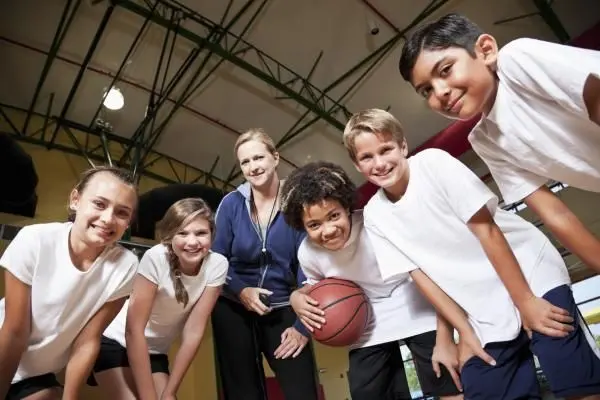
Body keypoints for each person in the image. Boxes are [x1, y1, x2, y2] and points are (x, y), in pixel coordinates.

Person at [343, 108, 600, 399]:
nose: (380, 163)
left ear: (402, 146)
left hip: (529, 271)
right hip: (482, 302)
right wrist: (463, 331)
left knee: (573, 377)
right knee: (483, 385)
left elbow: (487, 231)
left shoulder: (433, 164)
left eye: (386, 149)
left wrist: (526, 301)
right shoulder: (375, 215)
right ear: (357, 164)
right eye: (367, 157)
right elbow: (423, 278)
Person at [398, 13, 600, 276]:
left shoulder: (516, 61)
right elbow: (555, 214)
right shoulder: (485, 142)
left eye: (446, 70)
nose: (440, 92)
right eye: (426, 91)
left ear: (486, 50)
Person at [279, 160, 472, 400]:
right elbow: (314, 283)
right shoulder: (308, 252)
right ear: (302, 226)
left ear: (347, 207)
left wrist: (445, 338)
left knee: (447, 379)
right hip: (367, 317)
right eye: (314, 224)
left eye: (334, 216)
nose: (327, 230)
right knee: (365, 392)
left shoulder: (377, 223)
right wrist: (297, 296)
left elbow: (431, 273)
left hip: (416, 301)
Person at [0, 166, 139, 400]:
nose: (107, 219)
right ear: (76, 200)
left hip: (35, 375)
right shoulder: (35, 239)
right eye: (99, 204)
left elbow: (88, 341)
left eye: (122, 212)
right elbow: (15, 331)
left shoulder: (126, 266)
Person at [211, 129, 320, 400]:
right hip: (233, 306)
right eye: (245, 162)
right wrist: (240, 290)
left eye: (258, 157)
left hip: (281, 306)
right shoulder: (231, 204)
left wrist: (302, 328)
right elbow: (216, 259)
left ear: (275, 158)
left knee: (302, 390)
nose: (253, 166)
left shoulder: (297, 205)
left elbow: (308, 266)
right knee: (243, 392)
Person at [92, 198, 227, 400]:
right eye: (182, 233)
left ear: (211, 234)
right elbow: (133, 329)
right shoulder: (156, 257)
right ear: (170, 236)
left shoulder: (217, 265)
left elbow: (193, 332)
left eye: (201, 233)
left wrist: (170, 392)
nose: (192, 242)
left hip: (154, 351)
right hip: (116, 340)